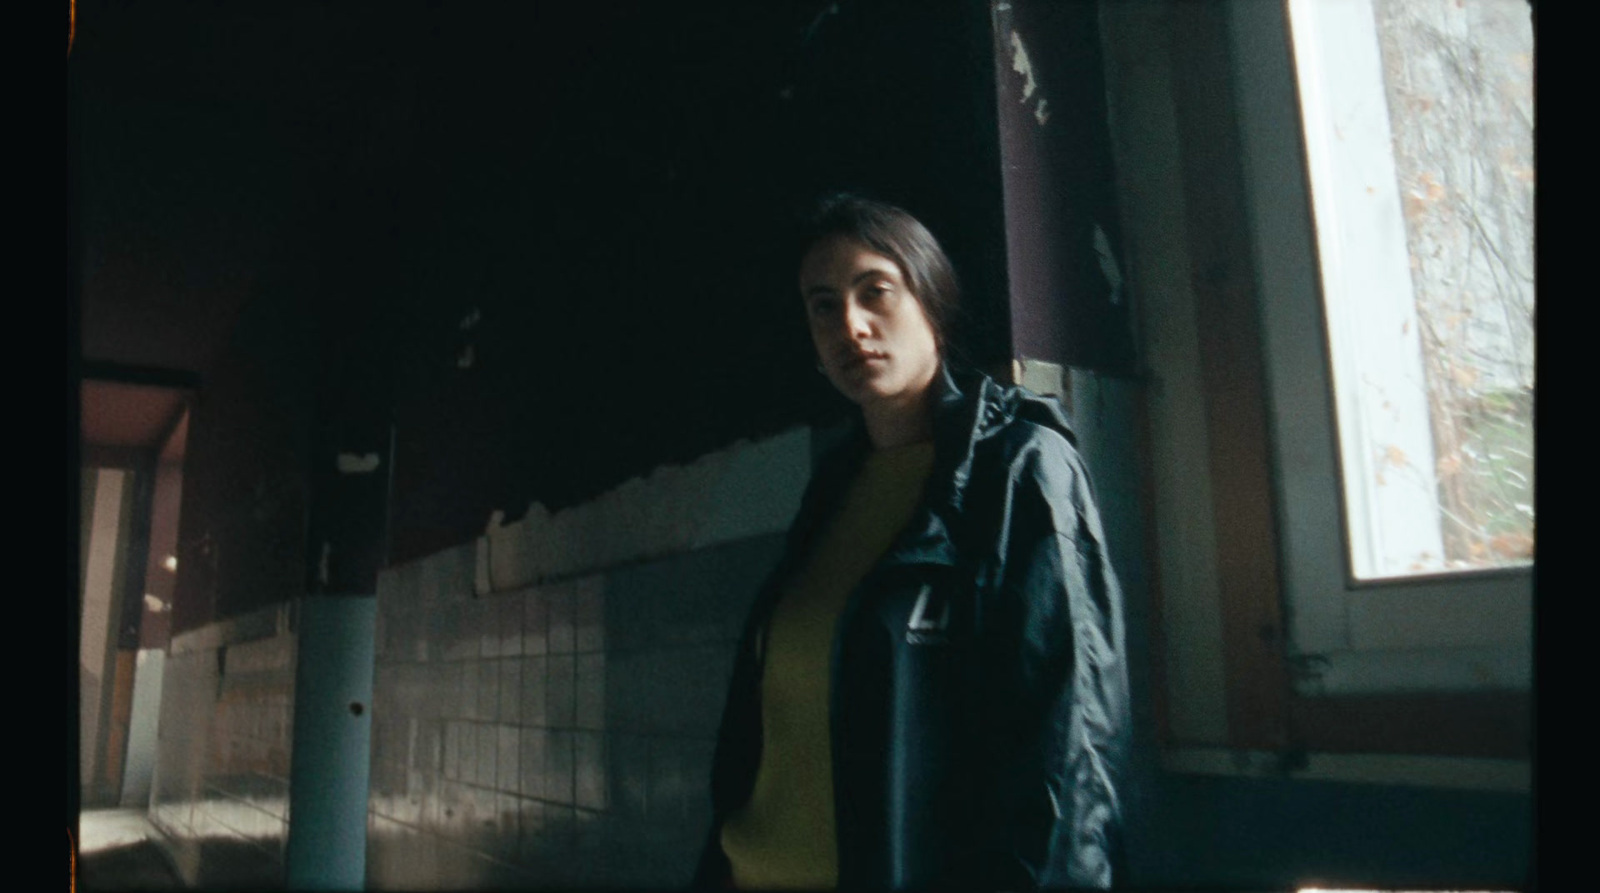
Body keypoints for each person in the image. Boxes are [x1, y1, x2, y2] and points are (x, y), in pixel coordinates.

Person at [694, 194, 1130, 890]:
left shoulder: (1020, 467)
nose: (851, 324)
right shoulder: (834, 486)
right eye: (823, 304)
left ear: (930, 301)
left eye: (876, 292)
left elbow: (1072, 744)